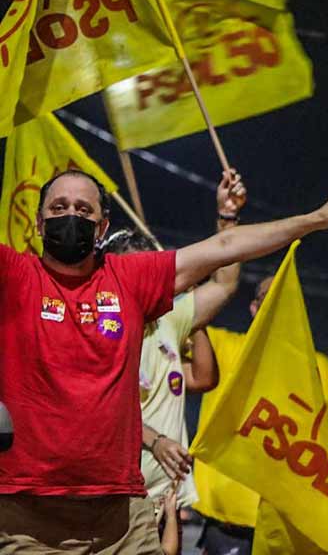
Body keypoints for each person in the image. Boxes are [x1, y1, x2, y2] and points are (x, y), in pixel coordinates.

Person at [0, 168, 328, 553]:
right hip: (29, 513)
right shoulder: (15, 276)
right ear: (39, 223)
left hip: (122, 518)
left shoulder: (127, 278)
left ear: (101, 226)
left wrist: (314, 220)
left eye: (83, 209)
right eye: (59, 208)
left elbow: (225, 247)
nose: (71, 216)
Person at [101, 170, 246, 523]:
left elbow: (225, 283)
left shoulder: (170, 318)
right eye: (131, 273)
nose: (143, 282)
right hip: (115, 503)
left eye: (148, 271)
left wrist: (227, 217)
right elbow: (105, 413)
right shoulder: (101, 332)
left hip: (166, 501)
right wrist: (156, 441)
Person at [193, 275, 328, 553]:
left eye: (285, 299)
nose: (276, 305)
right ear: (253, 308)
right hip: (228, 530)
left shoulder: (319, 368)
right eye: (268, 297)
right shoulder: (222, 348)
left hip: (291, 532)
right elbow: (191, 318)